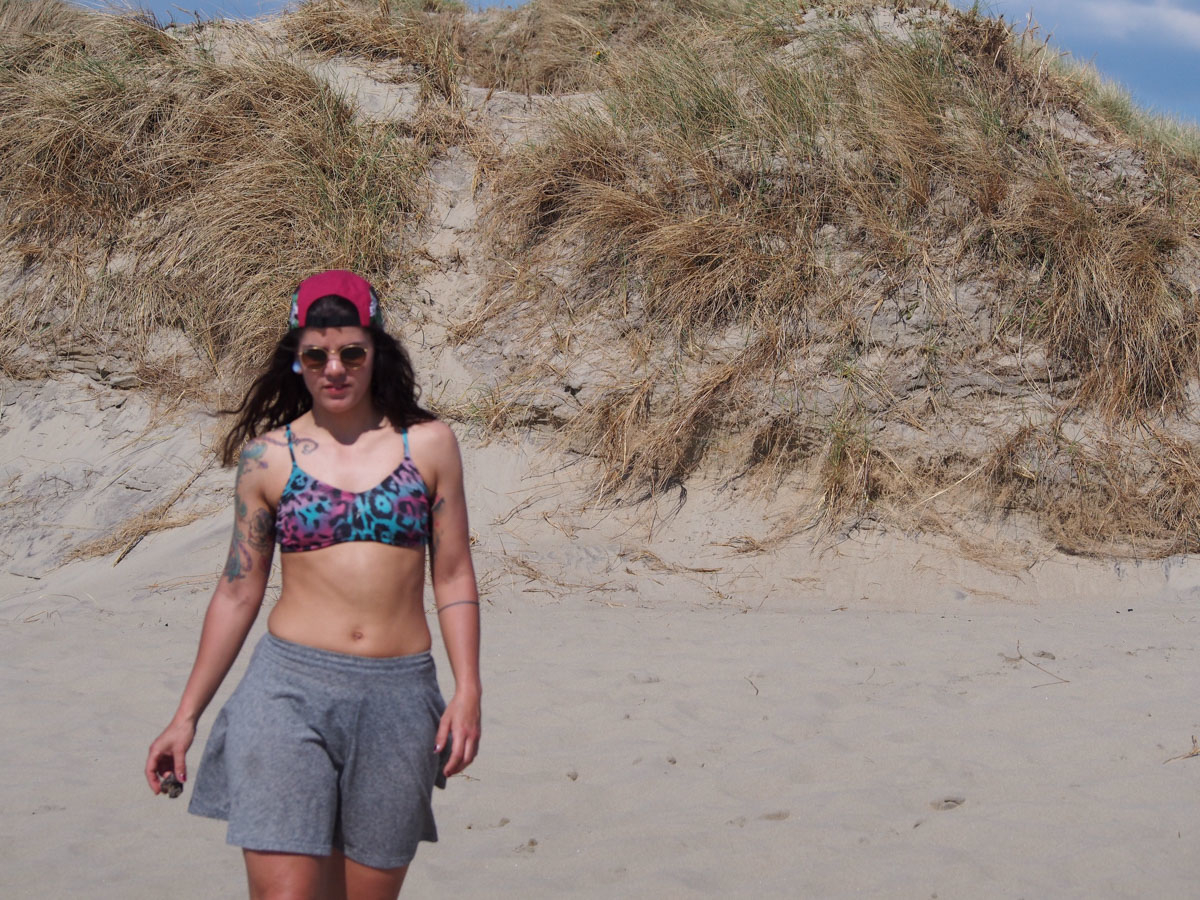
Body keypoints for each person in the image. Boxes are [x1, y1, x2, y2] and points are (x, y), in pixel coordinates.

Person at [144, 270, 481, 899]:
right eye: (316, 354)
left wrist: (468, 690)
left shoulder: (429, 445)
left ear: (376, 351)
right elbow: (238, 591)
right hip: (287, 690)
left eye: (352, 352)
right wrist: (184, 717)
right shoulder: (267, 458)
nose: (335, 369)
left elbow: (454, 573)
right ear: (295, 358)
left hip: (398, 696)